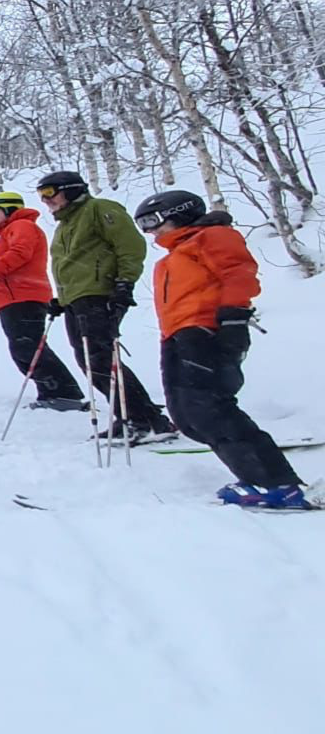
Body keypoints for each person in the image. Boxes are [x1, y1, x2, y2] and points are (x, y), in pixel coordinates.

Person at [136, 190, 312, 509]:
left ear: (179, 213)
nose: (149, 230)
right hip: (178, 336)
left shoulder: (212, 237)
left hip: (208, 331)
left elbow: (239, 273)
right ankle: (255, 475)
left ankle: (275, 483)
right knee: (187, 416)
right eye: (143, 224)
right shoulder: (175, 254)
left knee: (210, 408)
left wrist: (232, 318)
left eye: (152, 221)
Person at [37, 170, 173, 440]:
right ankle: (136, 416)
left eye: (50, 192)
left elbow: (130, 245)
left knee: (99, 359)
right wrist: (61, 299)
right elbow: (72, 266)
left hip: (100, 295)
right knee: (89, 361)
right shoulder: (66, 225)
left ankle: (145, 420)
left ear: (71, 189)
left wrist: (125, 282)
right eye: (41, 195)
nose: (46, 200)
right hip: (77, 298)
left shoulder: (99, 209)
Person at [0, 191, 86, 411]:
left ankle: (64, 394)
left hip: (23, 295)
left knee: (27, 347)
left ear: (9, 209)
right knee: (25, 348)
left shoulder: (22, 227)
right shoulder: (11, 232)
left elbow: (21, 253)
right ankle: (53, 392)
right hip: (14, 297)